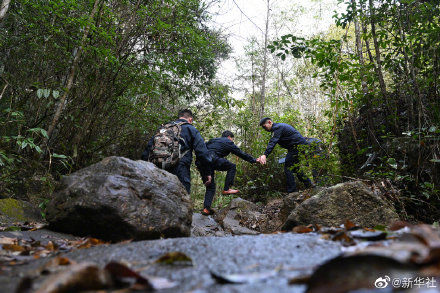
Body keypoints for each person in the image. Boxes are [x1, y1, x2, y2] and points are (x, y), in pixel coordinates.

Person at [141, 109, 212, 194]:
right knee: (182, 198)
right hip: (180, 169)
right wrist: (206, 173)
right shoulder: (191, 129)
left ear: (179, 117)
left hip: (157, 168)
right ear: (190, 119)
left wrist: (145, 169)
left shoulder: (164, 128)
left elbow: (148, 149)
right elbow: (202, 153)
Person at [197, 130, 257, 216]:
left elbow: (201, 150)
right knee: (232, 166)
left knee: (210, 187)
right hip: (213, 159)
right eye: (232, 139)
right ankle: (226, 189)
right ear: (229, 137)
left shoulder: (212, 140)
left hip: (202, 163)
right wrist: (253, 160)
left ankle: (206, 209)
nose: (232, 141)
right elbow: (240, 153)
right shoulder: (227, 141)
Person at [257, 117, 313, 193]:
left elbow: (273, 141)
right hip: (297, 147)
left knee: (288, 168)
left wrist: (265, 155)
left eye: (264, 126)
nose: (265, 129)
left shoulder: (277, 128)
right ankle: (309, 184)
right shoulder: (278, 127)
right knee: (295, 168)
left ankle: (292, 191)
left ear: (270, 122)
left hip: (297, 147)